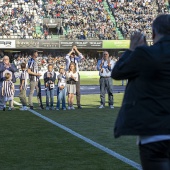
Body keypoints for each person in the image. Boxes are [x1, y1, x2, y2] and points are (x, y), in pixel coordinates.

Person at [111, 14, 170, 170]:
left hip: (154, 134)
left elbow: (118, 72)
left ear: (153, 33)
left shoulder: (146, 54)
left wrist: (132, 50)